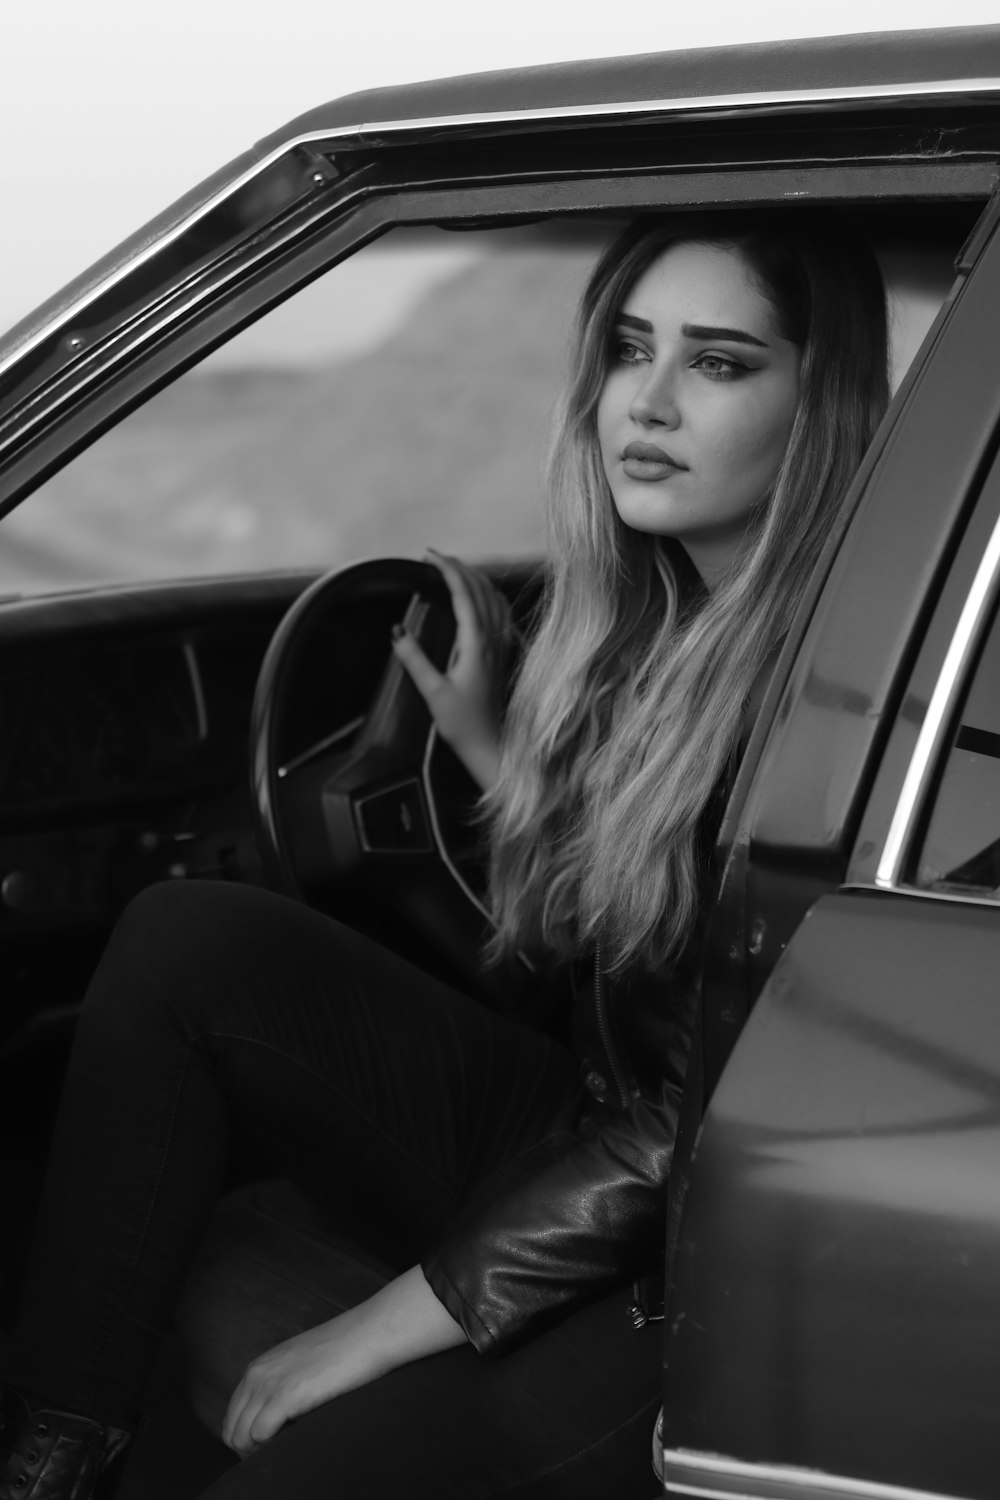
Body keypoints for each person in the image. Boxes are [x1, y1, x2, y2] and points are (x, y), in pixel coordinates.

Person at [0, 211, 888, 1500]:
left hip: (692, 1260)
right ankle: (51, 1459)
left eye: (719, 362)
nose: (644, 404)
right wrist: (505, 763)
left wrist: (376, 1327)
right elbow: (636, 961)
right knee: (187, 938)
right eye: (629, 350)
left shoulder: (833, 694)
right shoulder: (664, 633)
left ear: (822, 404)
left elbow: (694, 1122)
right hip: (588, 1127)